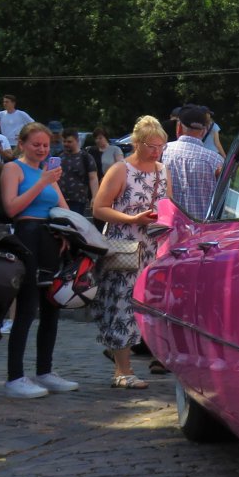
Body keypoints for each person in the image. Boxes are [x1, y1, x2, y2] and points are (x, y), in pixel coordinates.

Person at [0, 123, 78, 398]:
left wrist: (67, 232)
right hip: (28, 236)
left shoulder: (48, 173)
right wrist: (42, 183)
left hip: (51, 239)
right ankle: (15, 375)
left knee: (52, 305)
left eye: (45, 145)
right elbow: (11, 207)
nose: (42, 149)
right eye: (36, 144)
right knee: (27, 306)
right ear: (22, 144)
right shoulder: (14, 169)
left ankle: (45, 370)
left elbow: (64, 208)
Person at [92, 115, 170, 390]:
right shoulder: (120, 170)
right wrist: (132, 219)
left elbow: (168, 206)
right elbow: (99, 208)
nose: (156, 150)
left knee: (148, 307)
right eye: (151, 145)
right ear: (137, 143)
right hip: (124, 246)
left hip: (152, 247)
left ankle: (131, 360)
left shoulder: (163, 170)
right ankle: (122, 371)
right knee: (122, 304)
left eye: (161, 145)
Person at [162, 104, 224, 215]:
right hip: (203, 229)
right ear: (204, 131)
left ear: (179, 127)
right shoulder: (216, 161)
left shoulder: (162, 151)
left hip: (169, 225)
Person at [57, 129, 100, 219]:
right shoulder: (58, 157)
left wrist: (94, 197)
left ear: (77, 141)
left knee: (74, 226)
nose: (66, 144)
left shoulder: (86, 157)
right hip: (59, 199)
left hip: (78, 200)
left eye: (69, 141)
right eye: (64, 141)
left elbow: (93, 178)